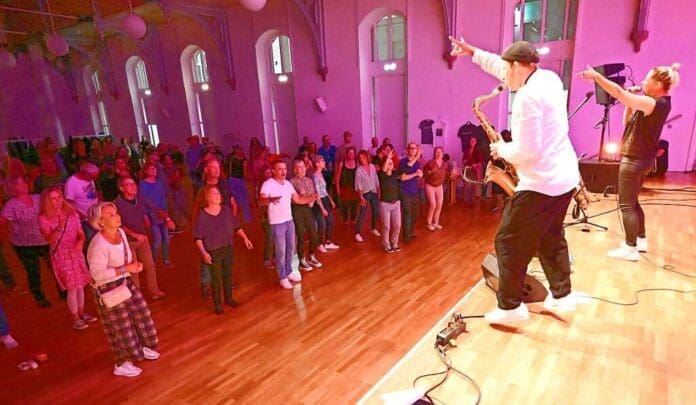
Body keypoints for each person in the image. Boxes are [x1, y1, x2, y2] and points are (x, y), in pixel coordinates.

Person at [450, 37, 580, 323]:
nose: (503, 76)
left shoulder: (526, 99)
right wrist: (474, 52)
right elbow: (501, 66)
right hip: (565, 176)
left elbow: (525, 152)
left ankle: (510, 308)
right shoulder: (548, 78)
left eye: (507, 69)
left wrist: (499, 149)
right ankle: (562, 296)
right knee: (550, 236)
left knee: (508, 241)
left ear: (518, 67)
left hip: (541, 182)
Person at [579, 63, 680, 261]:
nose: (643, 82)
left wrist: (596, 78)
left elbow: (618, 92)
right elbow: (627, 124)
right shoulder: (655, 104)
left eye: (647, 79)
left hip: (634, 160)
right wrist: (629, 103)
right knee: (633, 202)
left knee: (626, 205)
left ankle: (630, 247)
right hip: (641, 160)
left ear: (658, 83)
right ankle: (640, 239)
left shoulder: (655, 104)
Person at [86, 202, 159, 377]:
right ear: (101, 222)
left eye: (116, 212)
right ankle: (122, 363)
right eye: (110, 214)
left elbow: (125, 258)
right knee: (120, 327)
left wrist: (134, 266)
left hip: (124, 281)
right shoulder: (98, 245)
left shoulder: (120, 233)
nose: (117, 216)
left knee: (141, 314)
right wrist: (126, 269)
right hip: (107, 287)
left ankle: (141, 348)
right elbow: (96, 275)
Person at [38, 185, 96, 330]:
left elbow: (80, 232)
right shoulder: (44, 218)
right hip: (61, 255)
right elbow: (49, 240)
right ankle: (75, 318)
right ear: (47, 201)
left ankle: (82, 313)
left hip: (75, 251)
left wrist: (81, 242)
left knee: (81, 284)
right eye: (53, 198)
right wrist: (59, 227)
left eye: (59, 197)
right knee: (72, 287)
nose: (57, 201)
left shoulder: (71, 213)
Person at [193, 185, 253, 314]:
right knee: (216, 278)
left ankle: (229, 298)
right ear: (207, 197)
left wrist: (245, 238)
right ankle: (218, 305)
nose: (218, 195)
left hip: (227, 247)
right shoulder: (202, 215)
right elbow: (197, 238)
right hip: (213, 251)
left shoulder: (226, 210)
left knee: (227, 275)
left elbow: (236, 226)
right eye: (214, 194)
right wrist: (203, 253)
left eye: (218, 193)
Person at [259, 160, 316, 289]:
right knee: (281, 251)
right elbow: (261, 200)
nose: (283, 171)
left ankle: (289, 271)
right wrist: (270, 200)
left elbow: (297, 199)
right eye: (280, 169)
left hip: (289, 220)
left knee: (290, 248)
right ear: (273, 171)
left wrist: (310, 198)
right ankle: (282, 276)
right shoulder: (268, 184)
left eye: (285, 169)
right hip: (276, 222)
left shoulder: (288, 184)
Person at [0, 176, 53, 307]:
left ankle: (63, 291)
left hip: (43, 239)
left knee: (54, 265)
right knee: (33, 271)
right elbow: (2, 222)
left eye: (23, 183)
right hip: (24, 245)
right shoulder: (11, 205)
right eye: (18, 184)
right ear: (13, 188)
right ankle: (39, 297)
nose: (23, 186)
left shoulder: (37, 198)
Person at [113, 177, 167, 300]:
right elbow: (119, 225)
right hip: (128, 241)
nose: (134, 186)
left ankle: (155, 291)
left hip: (142, 238)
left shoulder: (140, 199)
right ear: (122, 188)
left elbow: (155, 208)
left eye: (134, 183)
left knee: (150, 266)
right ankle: (136, 296)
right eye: (129, 184)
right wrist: (135, 235)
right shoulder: (117, 204)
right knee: (134, 270)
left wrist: (167, 218)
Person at [139, 163, 176, 267]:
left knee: (166, 238)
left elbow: (163, 199)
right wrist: (145, 216)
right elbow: (144, 202)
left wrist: (166, 214)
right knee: (157, 239)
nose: (154, 171)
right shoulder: (142, 185)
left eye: (155, 169)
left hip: (162, 214)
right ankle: (153, 261)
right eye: (151, 169)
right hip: (152, 214)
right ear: (146, 171)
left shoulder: (159, 183)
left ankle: (166, 259)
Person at [289, 159, 323, 271]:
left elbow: (312, 195)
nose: (302, 168)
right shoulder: (291, 181)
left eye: (303, 166)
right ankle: (301, 259)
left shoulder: (309, 180)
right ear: (294, 169)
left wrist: (311, 200)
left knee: (313, 234)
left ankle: (311, 255)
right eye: (299, 166)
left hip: (308, 209)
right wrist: (303, 196)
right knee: (301, 235)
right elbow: (295, 199)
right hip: (297, 209)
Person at [378, 149, 404, 253]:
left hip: (396, 203)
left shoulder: (395, 174)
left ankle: (394, 243)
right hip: (385, 205)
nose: (390, 165)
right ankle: (387, 245)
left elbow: (405, 167)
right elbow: (383, 170)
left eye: (391, 163)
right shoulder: (382, 175)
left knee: (397, 225)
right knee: (386, 226)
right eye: (388, 163)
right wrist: (388, 158)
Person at [312, 155, 339, 251]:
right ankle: (319, 244)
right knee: (321, 223)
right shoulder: (315, 177)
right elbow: (317, 193)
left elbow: (324, 190)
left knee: (330, 221)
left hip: (325, 199)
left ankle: (328, 242)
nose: (324, 162)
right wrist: (322, 207)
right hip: (319, 201)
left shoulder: (321, 174)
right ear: (317, 164)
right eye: (322, 160)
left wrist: (331, 200)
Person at [399, 143, 423, 243]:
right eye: (411, 148)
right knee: (407, 213)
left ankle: (410, 232)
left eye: (415, 148)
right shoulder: (403, 162)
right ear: (407, 150)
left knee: (414, 213)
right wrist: (415, 174)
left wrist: (420, 174)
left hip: (414, 191)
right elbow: (402, 177)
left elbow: (418, 174)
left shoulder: (417, 162)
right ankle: (406, 236)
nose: (413, 150)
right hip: (405, 191)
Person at [354, 150, 380, 242]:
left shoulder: (372, 167)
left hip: (374, 192)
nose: (362, 159)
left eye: (363, 157)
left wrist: (379, 191)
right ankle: (357, 233)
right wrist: (361, 198)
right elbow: (359, 185)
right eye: (360, 158)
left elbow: (376, 180)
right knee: (362, 213)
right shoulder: (359, 170)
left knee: (376, 211)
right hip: (365, 194)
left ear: (367, 156)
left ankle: (373, 228)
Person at [423, 146, 447, 230]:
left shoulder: (445, 164)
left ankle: (436, 222)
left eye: (440, 151)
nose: (438, 153)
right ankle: (429, 223)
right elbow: (424, 173)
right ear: (434, 153)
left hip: (439, 186)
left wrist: (453, 174)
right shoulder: (430, 163)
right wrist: (431, 171)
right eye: (437, 152)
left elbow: (446, 174)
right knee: (433, 204)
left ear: (442, 154)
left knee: (439, 204)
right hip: (430, 185)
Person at [335, 147, 359, 224]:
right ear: (346, 154)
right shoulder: (342, 163)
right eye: (349, 153)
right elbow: (338, 176)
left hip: (355, 188)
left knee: (354, 204)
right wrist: (337, 188)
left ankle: (352, 219)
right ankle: (345, 219)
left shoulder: (357, 163)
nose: (351, 155)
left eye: (352, 153)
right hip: (344, 187)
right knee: (345, 205)